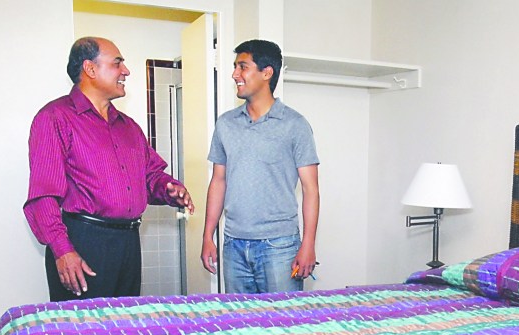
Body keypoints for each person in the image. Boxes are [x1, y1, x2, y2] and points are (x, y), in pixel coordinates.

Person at [24, 36, 194, 301]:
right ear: (90, 69)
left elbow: (150, 176)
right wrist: (62, 249)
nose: (126, 71)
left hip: (129, 244)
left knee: (123, 323)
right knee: (83, 326)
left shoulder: (129, 127)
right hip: (83, 244)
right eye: (117, 63)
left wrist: (169, 189)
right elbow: (43, 194)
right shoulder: (55, 118)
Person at [201, 39, 320, 293]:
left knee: (283, 317)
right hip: (233, 245)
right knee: (239, 318)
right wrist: (207, 235)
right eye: (235, 67)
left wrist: (308, 244)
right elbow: (218, 181)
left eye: (242, 67)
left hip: (279, 246)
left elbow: (311, 189)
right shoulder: (225, 124)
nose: (235, 74)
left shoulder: (295, 124)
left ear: (267, 73)